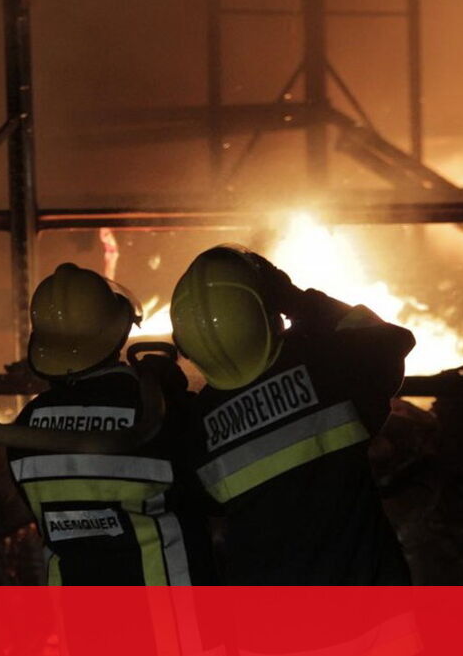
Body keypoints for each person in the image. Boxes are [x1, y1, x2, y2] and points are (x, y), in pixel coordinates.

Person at [170, 245, 414, 585]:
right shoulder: (326, 367)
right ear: (267, 313)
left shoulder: (197, 430)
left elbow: (199, 501)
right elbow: (389, 341)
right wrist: (297, 300)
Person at [6, 263, 215, 585]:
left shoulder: (26, 428)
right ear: (118, 332)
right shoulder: (156, 409)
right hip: (167, 608)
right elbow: (209, 493)